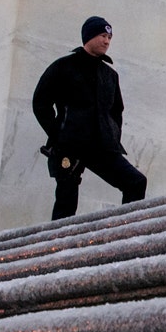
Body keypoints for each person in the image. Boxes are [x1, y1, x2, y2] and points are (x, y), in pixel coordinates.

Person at [32, 16, 147, 220]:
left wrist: (113, 136)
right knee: (66, 203)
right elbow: (40, 102)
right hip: (69, 145)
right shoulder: (63, 67)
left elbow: (116, 111)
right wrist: (58, 134)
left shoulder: (110, 75)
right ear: (89, 36)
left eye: (109, 37)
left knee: (136, 182)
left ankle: (125, 234)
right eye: (103, 35)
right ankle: (56, 248)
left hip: (101, 145)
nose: (107, 41)